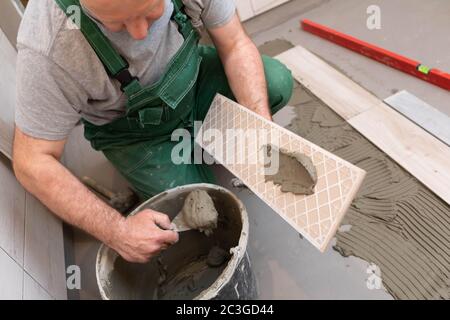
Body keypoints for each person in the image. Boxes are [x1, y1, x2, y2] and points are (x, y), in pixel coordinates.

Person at [13, 0, 293, 263]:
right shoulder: (49, 42)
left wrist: (259, 120)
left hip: (192, 84)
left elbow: (234, 44)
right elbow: (32, 161)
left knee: (275, 84)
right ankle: (179, 157)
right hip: (137, 134)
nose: (139, 33)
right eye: (117, 23)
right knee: (206, 211)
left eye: (152, 12)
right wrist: (118, 231)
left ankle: (205, 139)